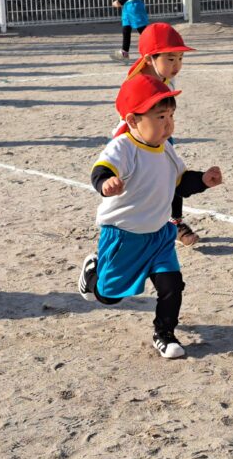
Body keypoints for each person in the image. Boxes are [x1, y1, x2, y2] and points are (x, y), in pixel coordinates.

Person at [78, 74, 223, 359]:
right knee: (109, 296)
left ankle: (164, 334)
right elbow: (101, 170)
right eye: (160, 117)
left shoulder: (166, 148)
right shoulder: (123, 147)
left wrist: (203, 180)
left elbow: (180, 183)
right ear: (133, 120)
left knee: (172, 285)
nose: (168, 124)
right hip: (124, 236)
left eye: (171, 116)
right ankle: (93, 272)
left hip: (159, 236)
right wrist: (106, 183)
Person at [115, 23, 202, 246]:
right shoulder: (137, 83)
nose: (177, 65)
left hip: (161, 135)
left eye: (180, 58)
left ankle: (175, 223)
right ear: (149, 58)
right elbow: (125, 114)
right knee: (142, 183)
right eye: (170, 59)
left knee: (172, 173)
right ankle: (131, 229)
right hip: (138, 140)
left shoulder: (164, 75)